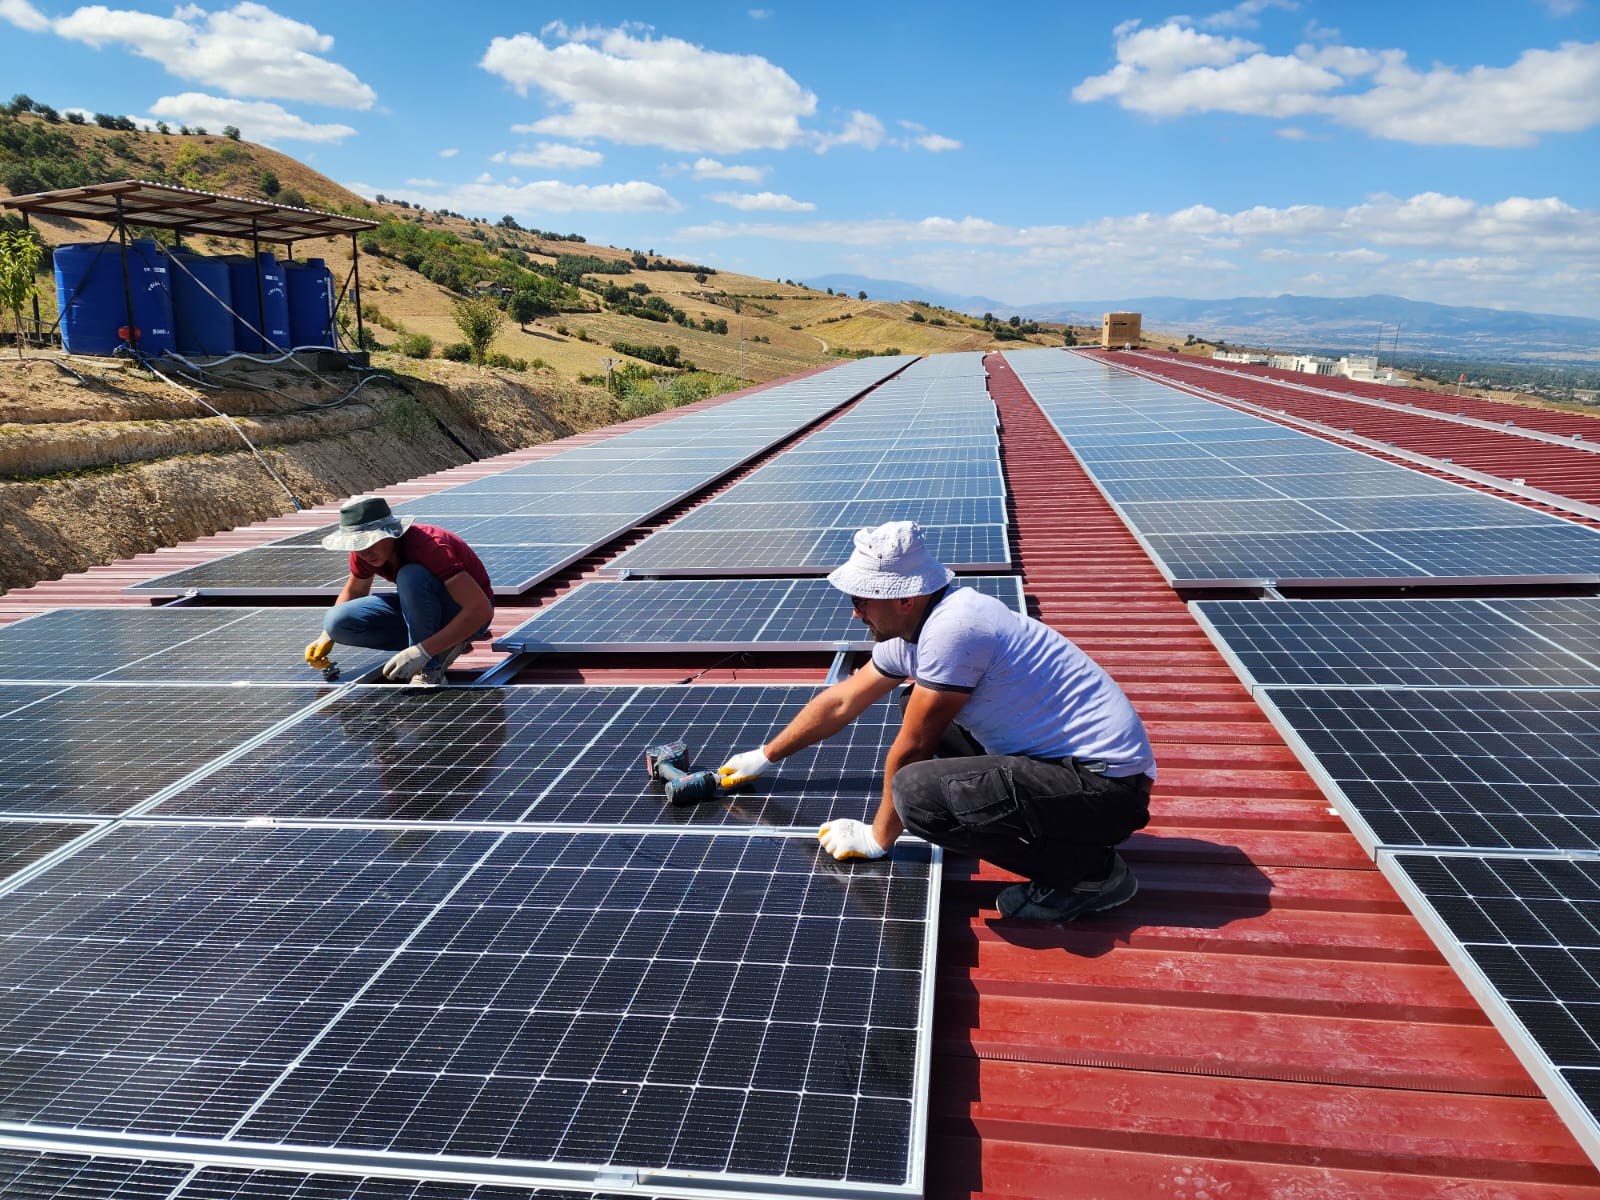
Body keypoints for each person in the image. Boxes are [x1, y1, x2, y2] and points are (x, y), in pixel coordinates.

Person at [718, 521, 1156, 921]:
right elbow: (841, 702)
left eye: (861, 599)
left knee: (916, 795)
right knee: (913, 701)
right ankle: (1049, 838)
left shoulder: (956, 629)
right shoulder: (914, 630)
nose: (855, 612)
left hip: (1105, 790)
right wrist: (764, 755)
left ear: (905, 599)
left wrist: (877, 838)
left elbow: (914, 747)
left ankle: (1090, 875)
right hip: (1071, 773)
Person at [303, 494, 493, 687]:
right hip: (427, 610)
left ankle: (429, 668)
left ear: (391, 532)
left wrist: (423, 652)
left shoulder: (428, 547)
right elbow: (355, 591)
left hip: (468, 614)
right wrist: (327, 635)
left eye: (370, 541)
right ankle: (440, 643)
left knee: (411, 576)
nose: (365, 552)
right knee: (337, 622)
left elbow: (480, 610)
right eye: (357, 545)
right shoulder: (363, 553)